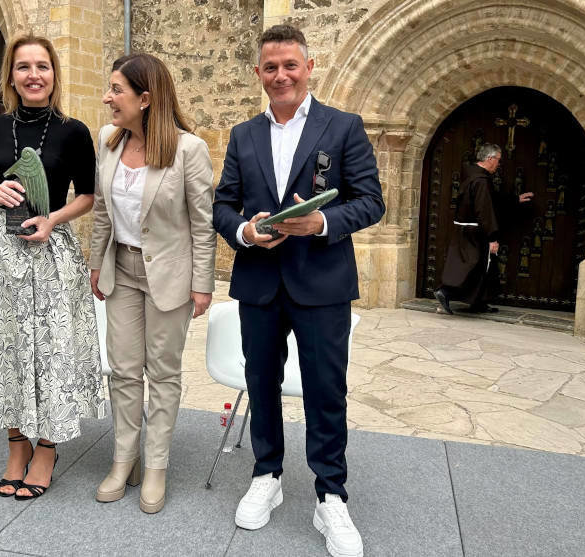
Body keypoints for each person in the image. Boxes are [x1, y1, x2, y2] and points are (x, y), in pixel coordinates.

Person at [212, 24, 385, 557]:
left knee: (325, 391)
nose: (281, 75)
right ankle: (268, 474)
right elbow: (223, 205)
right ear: (260, 73)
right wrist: (245, 231)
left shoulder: (344, 127)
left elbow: (372, 201)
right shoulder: (243, 136)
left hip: (322, 283)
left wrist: (323, 223)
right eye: (270, 67)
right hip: (260, 283)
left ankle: (330, 494)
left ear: (308, 67)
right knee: (260, 383)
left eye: (290, 65)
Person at [0, 32, 106, 501]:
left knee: (52, 350)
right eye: (23, 67)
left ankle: (48, 448)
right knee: (7, 348)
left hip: (50, 251)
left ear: (54, 75)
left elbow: (89, 197)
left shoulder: (74, 131)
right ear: (10, 76)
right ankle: (16, 446)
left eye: (42, 66)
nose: (33, 75)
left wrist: (52, 219)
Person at [90, 53, 216, 514]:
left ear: (145, 99)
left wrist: (202, 284)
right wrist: (95, 265)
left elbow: (202, 225)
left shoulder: (188, 149)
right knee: (123, 369)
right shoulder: (107, 141)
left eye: (116, 90)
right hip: (119, 271)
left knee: (162, 372)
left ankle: (156, 465)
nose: (107, 98)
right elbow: (103, 211)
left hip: (170, 277)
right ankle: (125, 459)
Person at [434, 143, 509, 314]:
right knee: (473, 267)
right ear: (489, 159)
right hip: (477, 232)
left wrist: (515, 199)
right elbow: (484, 210)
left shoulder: (471, 175)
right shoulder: (480, 181)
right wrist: (493, 237)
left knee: (483, 267)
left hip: (466, 230)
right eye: (498, 160)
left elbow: (493, 201)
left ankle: (479, 302)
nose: (498, 164)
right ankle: (445, 292)